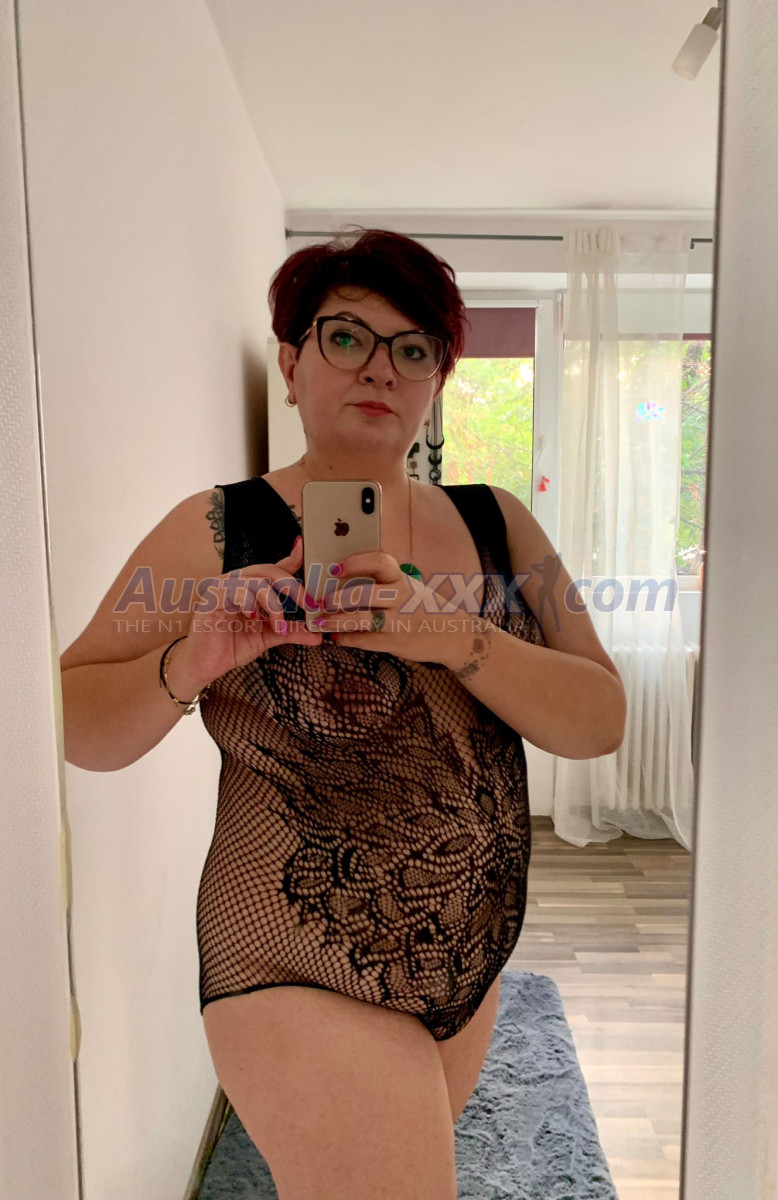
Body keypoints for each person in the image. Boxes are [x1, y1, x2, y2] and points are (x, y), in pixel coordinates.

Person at [60, 228, 626, 1200]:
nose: (380, 368)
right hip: (293, 957)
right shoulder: (220, 530)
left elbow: (599, 718)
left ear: (438, 378)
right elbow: (71, 720)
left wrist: (454, 635)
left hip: (468, 961)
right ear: (291, 363)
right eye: (347, 337)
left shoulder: (496, 523)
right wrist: (194, 656)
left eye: (413, 348)